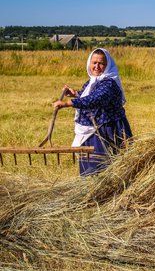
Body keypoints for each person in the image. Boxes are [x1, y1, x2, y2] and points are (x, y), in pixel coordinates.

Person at [53, 48, 133, 176]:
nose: (97, 66)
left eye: (101, 63)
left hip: (107, 130)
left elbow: (95, 99)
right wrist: (75, 94)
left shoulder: (109, 83)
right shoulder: (93, 81)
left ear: (107, 66)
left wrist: (68, 103)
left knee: (103, 169)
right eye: (94, 62)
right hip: (94, 128)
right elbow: (89, 96)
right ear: (89, 63)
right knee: (89, 167)